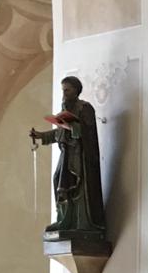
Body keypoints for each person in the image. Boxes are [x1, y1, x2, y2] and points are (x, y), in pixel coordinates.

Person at [30, 77, 105, 237]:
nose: (64, 94)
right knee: (58, 180)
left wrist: (71, 126)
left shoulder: (85, 108)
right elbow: (60, 133)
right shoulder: (66, 109)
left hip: (80, 156)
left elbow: (88, 131)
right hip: (67, 153)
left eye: (67, 90)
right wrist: (41, 135)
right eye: (63, 90)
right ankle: (64, 219)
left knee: (78, 186)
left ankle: (82, 223)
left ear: (76, 90)